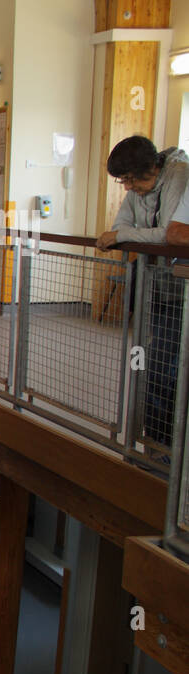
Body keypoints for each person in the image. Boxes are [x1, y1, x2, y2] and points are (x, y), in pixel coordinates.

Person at [97, 137, 189, 451]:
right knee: (148, 367)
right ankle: (152, 443)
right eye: (124, 182)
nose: (130, 188)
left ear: (154, 167)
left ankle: (164, 447)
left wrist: (124, 235)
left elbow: (168, 234)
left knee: (164, 367)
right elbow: (119, 224)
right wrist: (125, 233)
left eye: (134, 180)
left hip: (178, 289)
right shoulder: (138, 188)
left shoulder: (179, 174)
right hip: (154, 287)